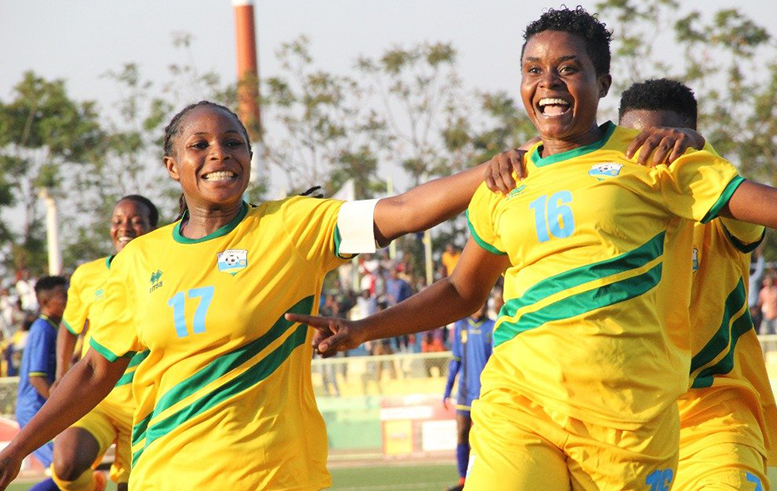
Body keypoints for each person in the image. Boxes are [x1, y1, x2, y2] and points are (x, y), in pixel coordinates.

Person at [290, 7, 777, 490]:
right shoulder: (507, 179)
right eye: (533, 71)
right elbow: (463, 289)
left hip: (630, 420)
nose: (548, 83)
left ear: (602, 82)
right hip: (522, 402)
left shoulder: (654, 159)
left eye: (568, 69)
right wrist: (364, 329)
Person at [0, 100, 531, 491]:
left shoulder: (294, 227)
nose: (219, 155)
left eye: (233, 143)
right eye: (199, 145)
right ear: (172, 167)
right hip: (168, 476)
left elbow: (404, 211)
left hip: (277, 476)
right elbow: (95, 370)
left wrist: (491, 172)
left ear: (250, 157)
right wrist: (17, 450)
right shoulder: (140, 261)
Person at [616, 79, 777, 491]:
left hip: (714, 418)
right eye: (634, 147)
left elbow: (776, 211)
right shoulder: (603, 217)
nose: (648, 160)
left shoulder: (722, 210)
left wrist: (702, 152)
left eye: (663, 146)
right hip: (623, 428)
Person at [49, 195, 159, 491]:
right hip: (98, 397)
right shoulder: (87, 275)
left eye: (137, 221)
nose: (126, 228)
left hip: (147, 405)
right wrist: (61, 374)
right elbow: (70, 328)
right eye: (118, 221)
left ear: (153, 227)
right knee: (66, 465)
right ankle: (94, 485)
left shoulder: (167, 271)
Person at [15, 276, 68, 491]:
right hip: (34, 409)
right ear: (45, 303)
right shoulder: (42, 329)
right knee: (65, 469)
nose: (69, 300)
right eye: (63, 296)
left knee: (69, 470)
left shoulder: (55, 328)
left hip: (40, 408)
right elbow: (36, 377)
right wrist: (60, 408)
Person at [442, 301, 493, 491]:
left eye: (483, 303)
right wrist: (448, 389)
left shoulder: (492, 327)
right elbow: (456, 359)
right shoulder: (461, 326)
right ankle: (463, 480)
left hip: (484, 391)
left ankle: (484, 479)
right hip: (464, 390)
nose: (480, 307)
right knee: (462, 432)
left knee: (485, 437)